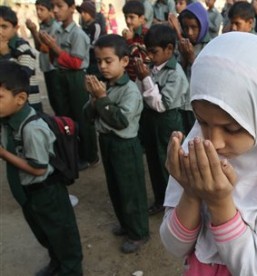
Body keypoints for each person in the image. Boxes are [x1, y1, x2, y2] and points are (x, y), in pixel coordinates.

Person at [160, 31, 257, 275]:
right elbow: (174, 246)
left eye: (232, 128)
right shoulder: (194, 148)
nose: (213, 142)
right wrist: (191, 193)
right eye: (202, 121)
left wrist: (219, 203)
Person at [0, 60, 83, 276]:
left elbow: (38, 169)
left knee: (62, 235)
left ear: (20, 99)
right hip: (30, 194)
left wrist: (3, 153)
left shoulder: (32, 129)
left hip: (46, 193)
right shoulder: (9, 119)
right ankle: (57, 263)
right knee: (45, 233)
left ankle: (71, 270)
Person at [83, 34, 150, 254]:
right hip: (107, 143)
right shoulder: (103, 86)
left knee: (131, 190)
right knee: (116, 187)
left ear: (124, 61)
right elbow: (87, 115)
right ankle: (126, 224)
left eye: (108, 61)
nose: (102, 66)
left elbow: (120, 121)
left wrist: (102, 98)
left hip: (125, 147)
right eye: (99, 61)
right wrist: (95, 99)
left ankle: (139, 233)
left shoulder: (129, 90)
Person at [39, 0, 99, 170]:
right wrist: (50, 47)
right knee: (65, 116)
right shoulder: (57, 31)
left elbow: (75, 63)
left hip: (75, 77)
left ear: (72, 9)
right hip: (61, 75)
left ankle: (90, 156)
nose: (55, 11)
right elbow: (53, 59)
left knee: (81, 116)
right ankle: (74, 153)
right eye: (54, 7)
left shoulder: (77, 34)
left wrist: (54, 47)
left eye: (60, 6)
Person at [135, 24, 189, 216]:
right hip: (151, 121)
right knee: (153, 162)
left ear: (169, 49)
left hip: (168, 122)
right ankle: (160, 199)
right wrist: (142, 78)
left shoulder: (176, 73)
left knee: (168, 162)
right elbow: (141, 94)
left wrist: (146, 80)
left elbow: (161, 105)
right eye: (147, 51)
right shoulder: (152, 68)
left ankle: (173, 204)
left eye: (153, 51)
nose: (149, 56)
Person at [168, 2, 210, 133]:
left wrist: (192, 58)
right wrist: (184, 57)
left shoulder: (210, 46)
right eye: (185, 27)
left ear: (202, 26)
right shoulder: (180, 44)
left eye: (194, 27)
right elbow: (177, 71)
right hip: (180, 103)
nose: (189, 32)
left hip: (198, 105)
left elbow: (208, 75)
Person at [0, 6, 42, 112]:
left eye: (4, 27)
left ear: (15, 29)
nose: (0, 31)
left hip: (27, 106)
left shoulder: (23, 48)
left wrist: (5, 54)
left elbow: (22, 78)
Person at [25, 0, 60, 115]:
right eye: (37, 10)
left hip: (54, 68)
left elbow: (44, 48)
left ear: (50, 12)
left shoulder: (56, 27)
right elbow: (38, 46)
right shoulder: (43, 26)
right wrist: (34, 31)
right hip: (46, 67)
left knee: (58, 101)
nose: (39, 13)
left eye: (42, 10)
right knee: (53, 101)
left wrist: (34, 31)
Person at [122, 0, 150, 82]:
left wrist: (130, 41)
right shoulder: (127, 35)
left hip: (140, 80)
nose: (127, 21)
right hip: (128, 79)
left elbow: (143, 60)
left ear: (141, 19)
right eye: (126, 17)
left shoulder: (146, 35)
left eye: (131, 17)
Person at [77, 0, 103, 76]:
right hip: (86, 61)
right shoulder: (84, 27)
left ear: (91, 13)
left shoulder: (96, 26)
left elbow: (94, 43)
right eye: (81, 12)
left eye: (85, 12)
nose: (82, 15)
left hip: (93, 61)